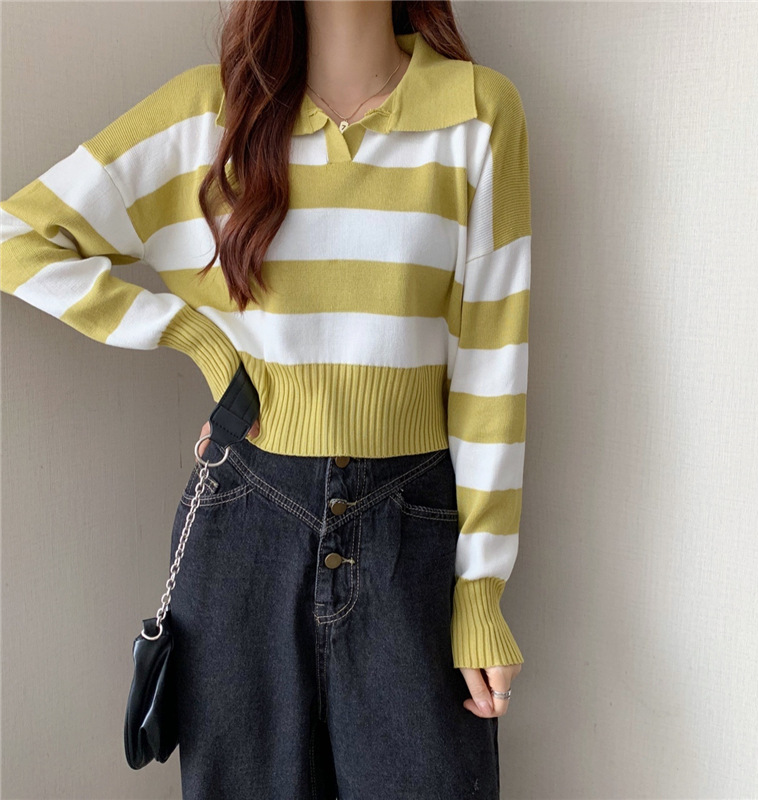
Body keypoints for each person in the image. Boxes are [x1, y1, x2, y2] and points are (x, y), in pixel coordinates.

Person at [0, 1, 531, 797]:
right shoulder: (206, 116)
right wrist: (200, 341)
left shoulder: (477, 112)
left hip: (412, 530)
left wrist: (481, 589)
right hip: (245, 519)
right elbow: (18, 238)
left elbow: (494, 361)